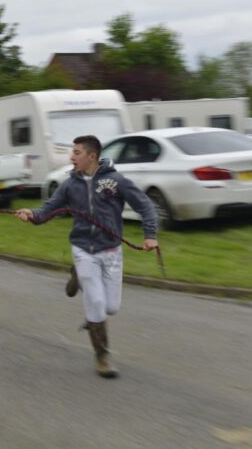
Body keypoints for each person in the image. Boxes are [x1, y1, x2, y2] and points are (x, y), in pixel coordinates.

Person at [14, 135, 159, 379]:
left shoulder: (116, 181)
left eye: (77, 152)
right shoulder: (69, 185)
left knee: (111, 307)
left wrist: (150, 235)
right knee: (97, 304)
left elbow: (145, 206)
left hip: (111, 251)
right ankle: (102, 357)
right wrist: (32, 214)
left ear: (91, 156)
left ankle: (78, 279)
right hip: (83, 250)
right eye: (72, 152)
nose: (71, 157)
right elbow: (49, 209)